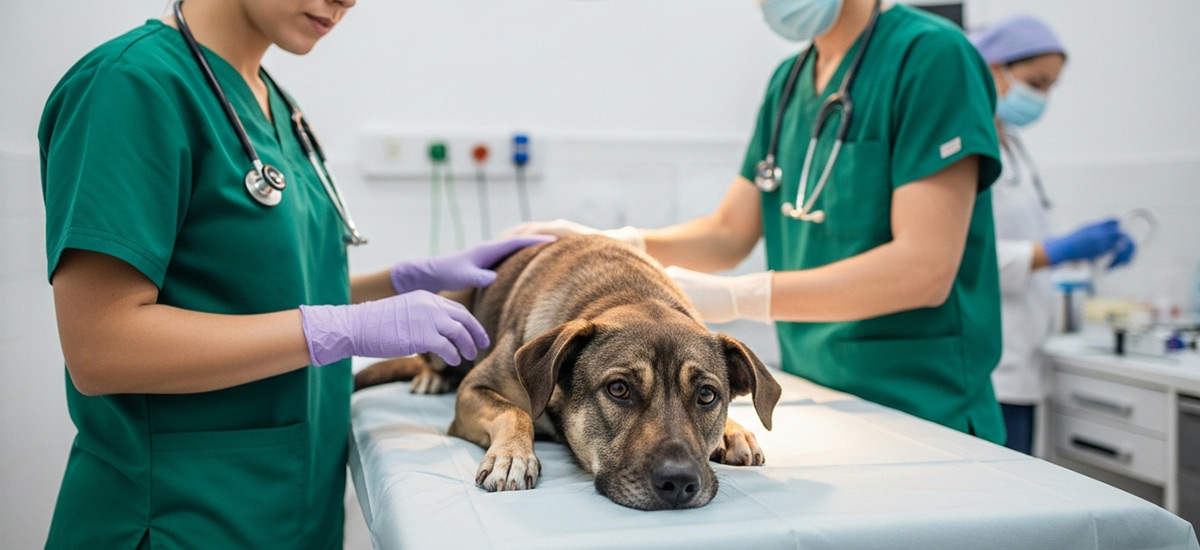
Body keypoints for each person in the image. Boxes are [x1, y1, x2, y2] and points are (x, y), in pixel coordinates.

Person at [39, 0, 547, 547]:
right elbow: (101, 348)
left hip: (290, 518)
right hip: (176, 519)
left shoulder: (275, 104)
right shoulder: (129, 88)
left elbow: (263, 293)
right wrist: (342, 329)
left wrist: (403, 282)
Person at [507, 0, 1009, 443]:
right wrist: (617, 242)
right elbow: (729, 233)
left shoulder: (934, 58)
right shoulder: (789, 84)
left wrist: (737, 298)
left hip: (925, 404)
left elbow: (924, 268)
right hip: (821, 391)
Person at [969, 14, 1135, 455]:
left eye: (1049, 87)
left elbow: (1033, 234)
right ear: (991, 69)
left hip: (1025, 360)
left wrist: (1090, 250)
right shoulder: (966, 146)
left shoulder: (1013, 144)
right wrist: (1060, 250)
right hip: (992, 368)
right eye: (1035, 82)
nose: (1040, 98)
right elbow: (967, 262)